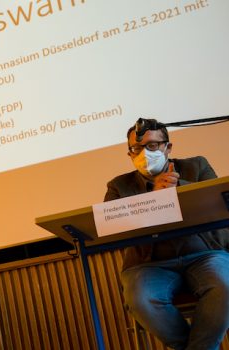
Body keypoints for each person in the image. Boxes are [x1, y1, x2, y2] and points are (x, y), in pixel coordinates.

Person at [105, 118, 229, 349]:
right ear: (130, 154)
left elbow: (217, 204)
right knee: (141, 299)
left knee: (225, 284)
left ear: (168, 147)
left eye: (152, 145)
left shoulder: (197, 166)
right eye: (137, 148)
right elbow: (113, 225)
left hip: (205, 255)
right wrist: (153, 195)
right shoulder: (118, 186)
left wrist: (177, 185)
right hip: (148, 265)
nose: (144, 153)